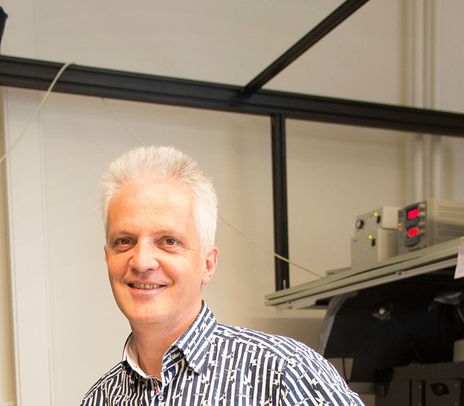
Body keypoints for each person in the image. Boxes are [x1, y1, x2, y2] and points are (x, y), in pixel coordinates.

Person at [81, 146, 365, 405]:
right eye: (124, 241)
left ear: (208, 264)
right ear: (107, 258)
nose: (142, 261)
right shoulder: (100, 399)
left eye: (168, 241)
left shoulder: (285, 375)